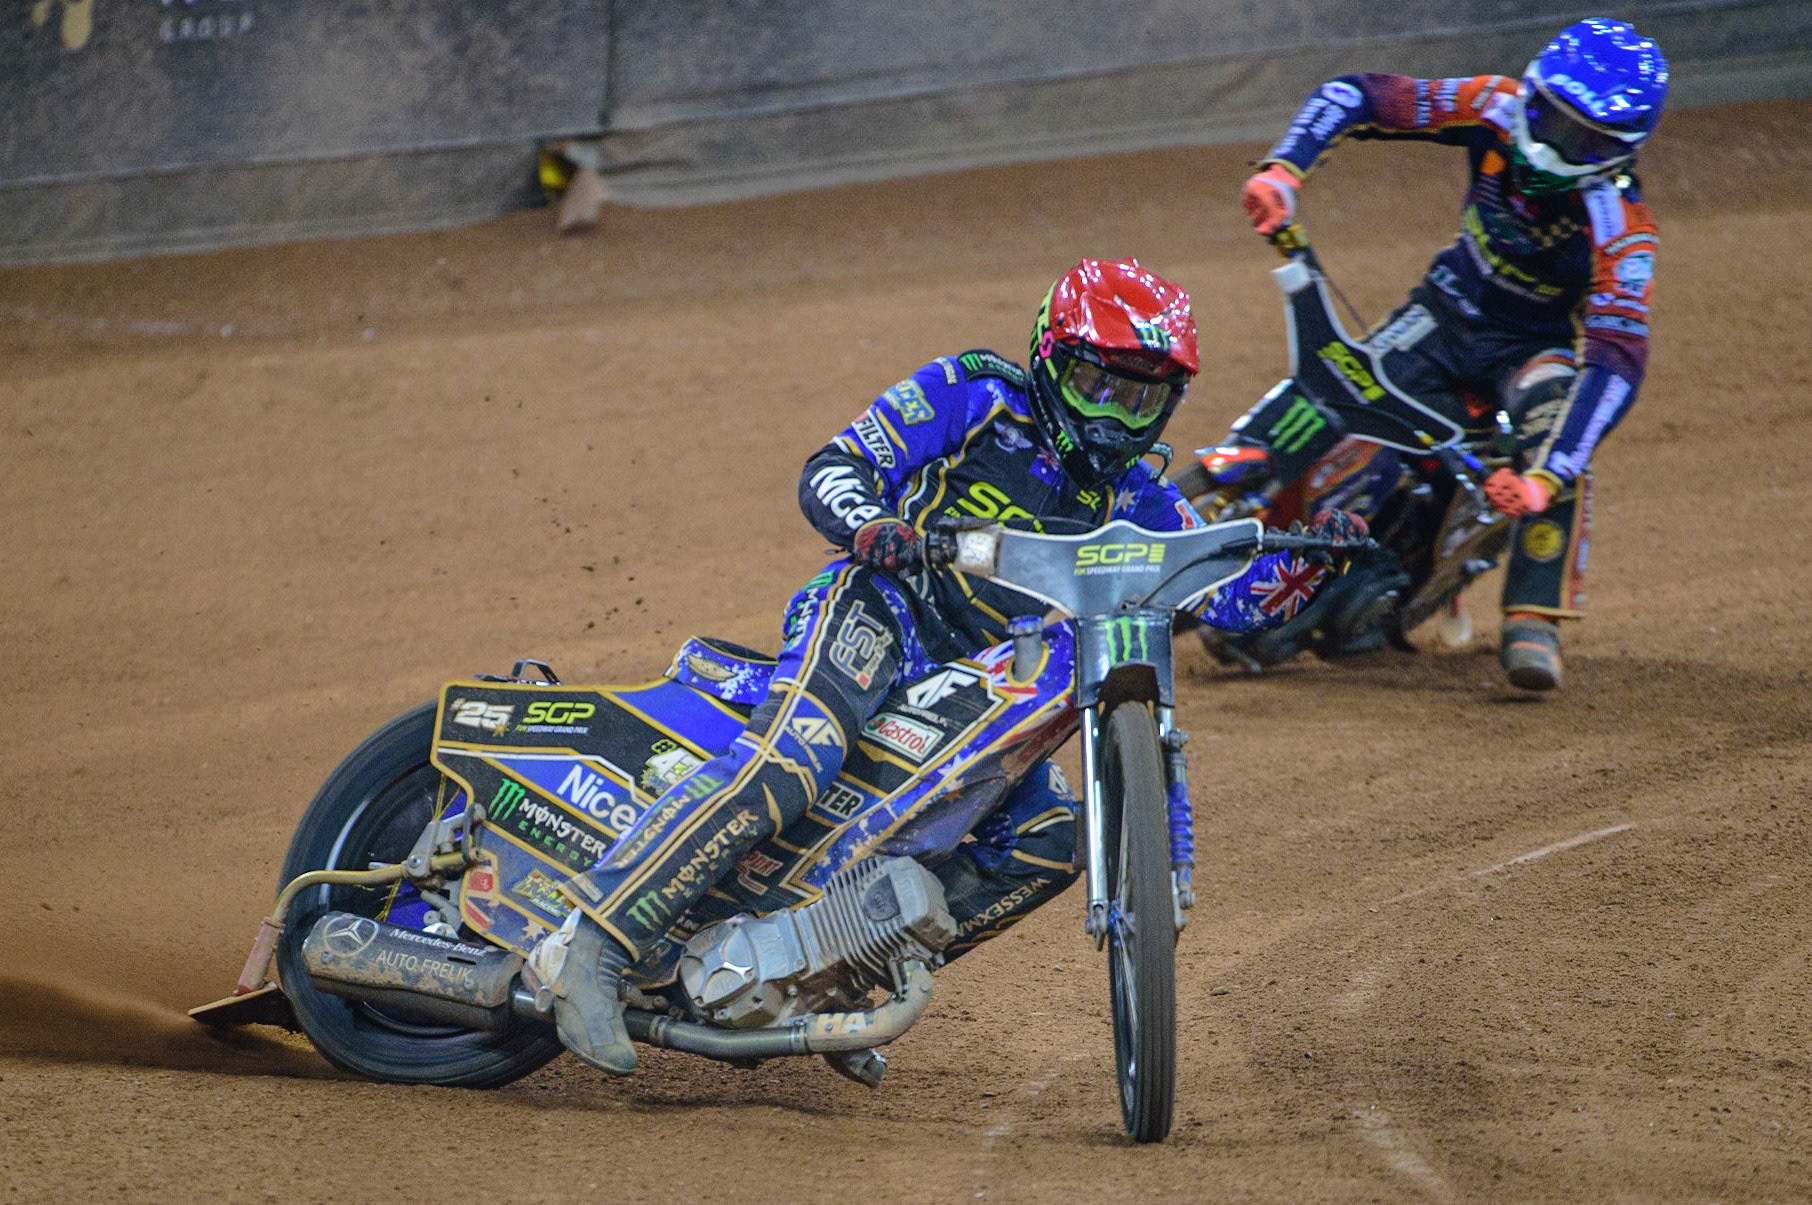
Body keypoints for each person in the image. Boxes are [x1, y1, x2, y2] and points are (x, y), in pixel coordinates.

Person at [527, 257, 1361, 1074]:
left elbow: (1234, 601)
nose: (1112, 416)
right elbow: (836, 467)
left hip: (978, 692)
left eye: (1139, 396)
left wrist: (1316, 562)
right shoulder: (973, 392)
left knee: (1046, 838)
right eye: (1095, 385)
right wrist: (872, 527)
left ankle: (829, 980)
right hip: (881, 611)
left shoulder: (1141, 501)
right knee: (797, 759)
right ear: (1048, 358)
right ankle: (596, 947)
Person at [1237, 18, 1667, 691]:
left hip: (1529, 348)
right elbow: (1360, 96)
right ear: (1530, 91)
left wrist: (1545, 476)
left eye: (1579, 137)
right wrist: (1286, 168)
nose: (1551, 142)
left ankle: (1533, 617)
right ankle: (1240, 486)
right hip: (1441, 308)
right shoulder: (1491, 105)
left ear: (1619, 152)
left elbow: (1616, 361)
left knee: (1554, 429)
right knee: (1339, 384)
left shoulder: (1624, 231)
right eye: (1547, 115)